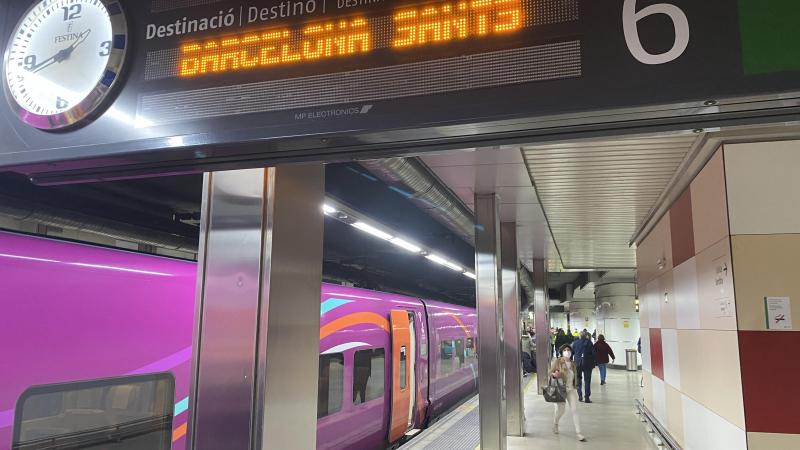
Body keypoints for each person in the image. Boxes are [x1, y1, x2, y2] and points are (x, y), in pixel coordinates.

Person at [550, 344, 587, 442]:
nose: (567, 352)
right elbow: (550, 373)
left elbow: (575, 376)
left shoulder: (573, 363)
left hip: (571, 390)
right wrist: (554, 375)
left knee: (575, 410)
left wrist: (577, 386)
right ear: (562, 352)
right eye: (565, 350)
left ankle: (579, 433)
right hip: (561, 389)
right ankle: (555, 423)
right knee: (561, 410)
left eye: (569, 350)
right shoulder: (557, 362)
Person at [571, 331, 596, 403]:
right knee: (587, 381)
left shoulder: (575, 343)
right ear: (586, 336)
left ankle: (580, 396)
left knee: (578, 380)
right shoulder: (589, 343)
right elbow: (594, 354)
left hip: (578, 364)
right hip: (587, 364)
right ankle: (587, 398)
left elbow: (572, 353)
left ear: (579, 336)